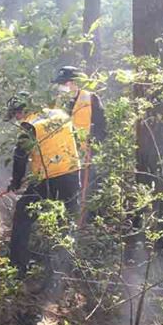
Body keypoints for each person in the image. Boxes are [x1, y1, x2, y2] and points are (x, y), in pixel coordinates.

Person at [5, 92, 81, 274]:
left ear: (22, 110)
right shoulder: (60, 114)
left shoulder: (30, 126)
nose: (16, 118)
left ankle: (17, 266)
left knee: (23, 215)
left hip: (48, 178)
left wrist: (15, 182)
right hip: (72, 173)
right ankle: (64, 268)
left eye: (16, 114)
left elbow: (20, 157)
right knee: (67, 219)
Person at [52, 66, 106, 224]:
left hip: (87, 153)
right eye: (60, 84)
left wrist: (94, 145)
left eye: (64, 83)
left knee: (90, 187)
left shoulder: (91, 99)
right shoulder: (59, 102)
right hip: (64, 156)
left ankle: (91, 223)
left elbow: (102, 126)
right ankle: (66, 223)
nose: (61, 87)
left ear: (74, 83)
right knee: (68, 191)